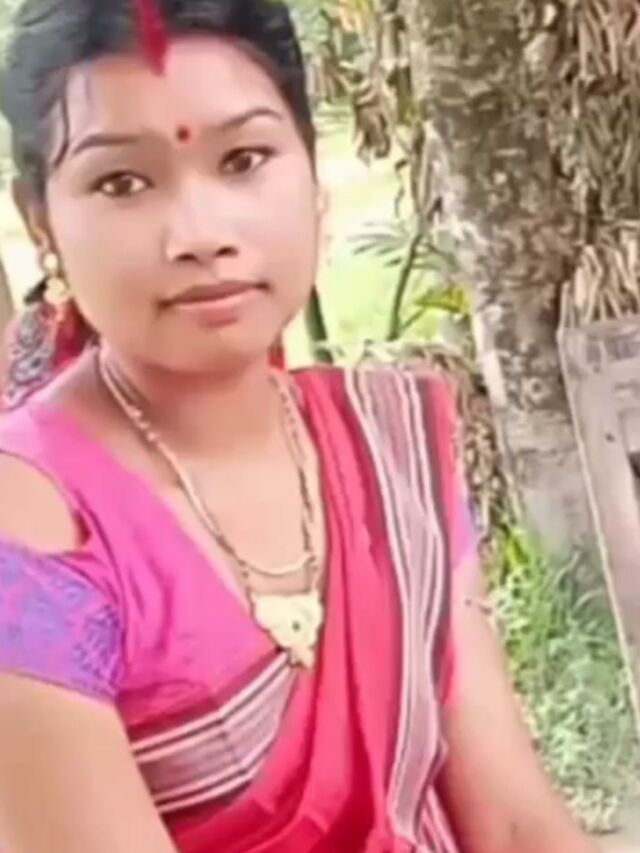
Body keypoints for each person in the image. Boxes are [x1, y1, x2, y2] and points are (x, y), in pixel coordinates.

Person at [0, 1, 597, 851]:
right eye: (122, 182)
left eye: (243, 159)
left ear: (312, 174)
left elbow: (513, 822)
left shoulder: (388, 440)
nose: (201, 235)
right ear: (40, 222)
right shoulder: (30, 521)